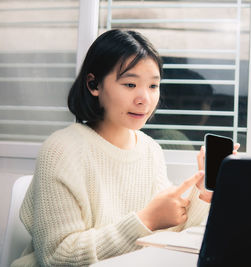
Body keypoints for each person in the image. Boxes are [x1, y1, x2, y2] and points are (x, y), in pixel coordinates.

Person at [11, 29, 238, 267]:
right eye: (130, 84)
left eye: (153, 86)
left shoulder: (150, 150)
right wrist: (146, 220)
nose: (145, 99)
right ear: (93, 84)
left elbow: (172, 226)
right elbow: (57, 257)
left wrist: (205, 193)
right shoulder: (61, 149)